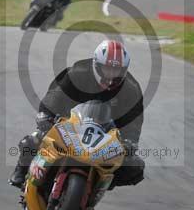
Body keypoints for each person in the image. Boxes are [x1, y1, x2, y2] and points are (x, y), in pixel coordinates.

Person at [9, 39, 145, 189]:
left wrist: (129, 142)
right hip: (69, 125)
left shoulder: (131, 89)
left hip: (104, 136)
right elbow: (55, 96)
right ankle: (21, 170)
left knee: (134, 167)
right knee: (34, 139)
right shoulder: (78, 73)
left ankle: (99, 185)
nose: (111, 75)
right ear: (96, 65)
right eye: (107, 69)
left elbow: (134, 121)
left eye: (116, 71)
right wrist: (46, 116)